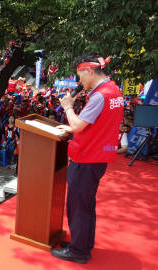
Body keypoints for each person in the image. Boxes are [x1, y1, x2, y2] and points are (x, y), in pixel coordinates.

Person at [51, 53, 123, 264]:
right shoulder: (114, 90)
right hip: (98, 154)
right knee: (86, 204)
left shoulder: (101, 95)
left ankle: (79, 251)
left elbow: (77, 126)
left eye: (79, 76)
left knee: (78, 206)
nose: (79, 81)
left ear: (89, 71)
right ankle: (82, 243)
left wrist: (67, 106)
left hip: (87, 156)